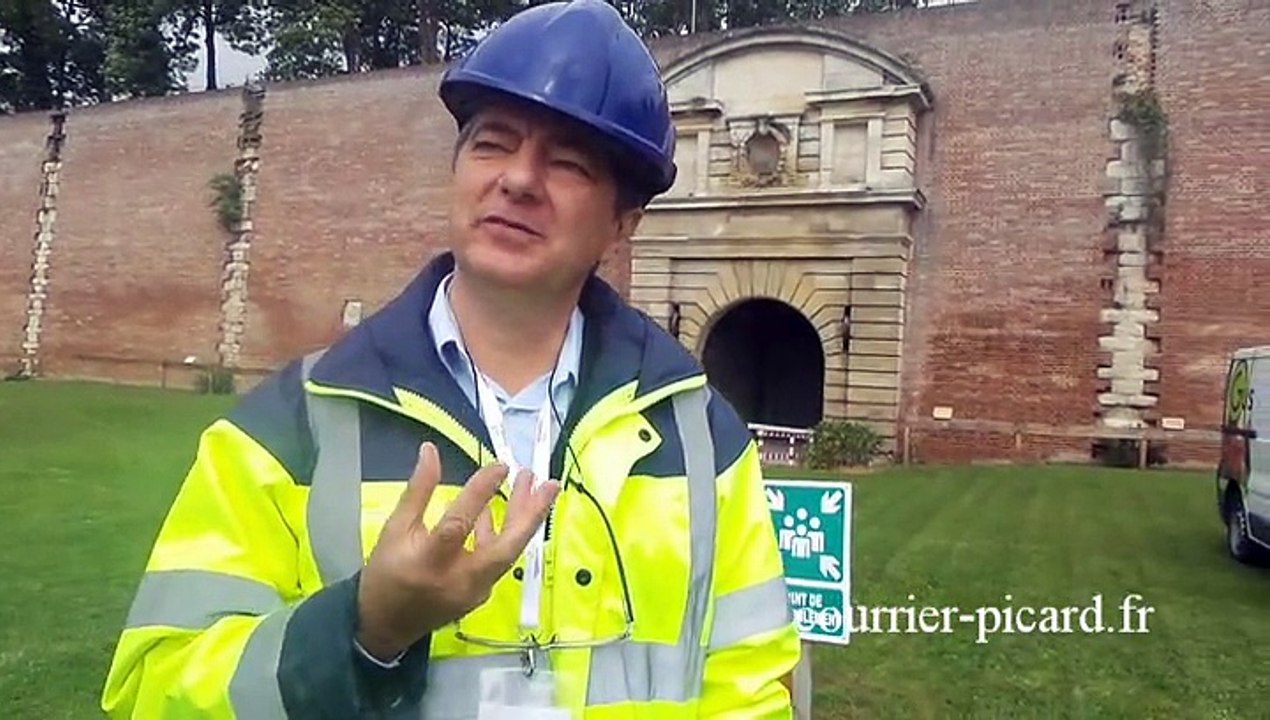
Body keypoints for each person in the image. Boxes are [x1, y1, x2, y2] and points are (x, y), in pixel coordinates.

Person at [100, 0, 800, 717]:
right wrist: (368, 627)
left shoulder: (701, 437)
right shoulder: (296, 427)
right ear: (456, 171)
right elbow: (154, 689)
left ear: (623, 221)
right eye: (493, 144)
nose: (520, 179)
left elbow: (754, 693)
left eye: (566, 163)